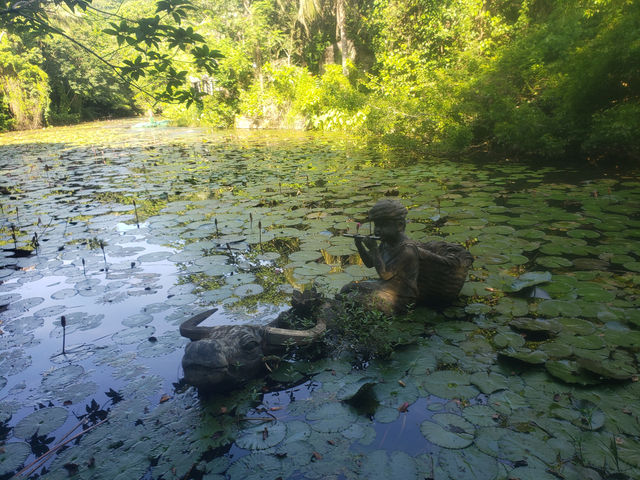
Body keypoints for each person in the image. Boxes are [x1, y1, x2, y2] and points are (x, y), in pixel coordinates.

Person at [340, 199, 419, 314]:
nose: (377, 230)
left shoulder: (407, 250)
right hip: (385, 288)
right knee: (346, 289)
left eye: (383, 225)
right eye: (376, 225)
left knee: (353, 299)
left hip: (401, 298)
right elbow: (369, 263)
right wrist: (359, 245)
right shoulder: (385, 243)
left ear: (400, 225)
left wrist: (374, 249)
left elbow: (385, 275)